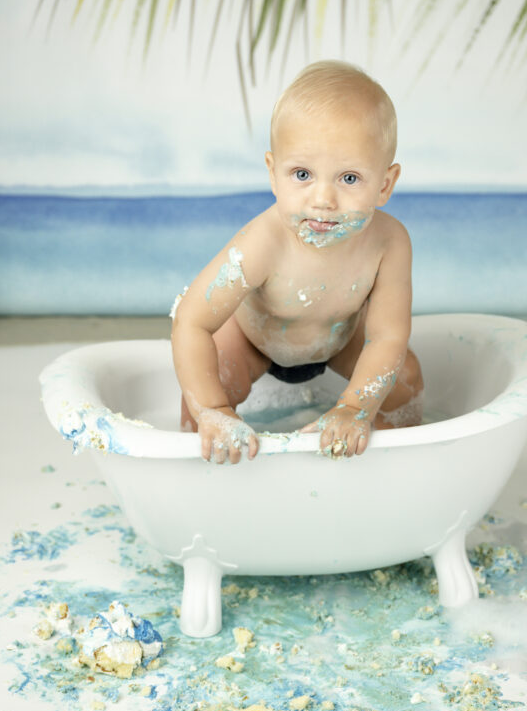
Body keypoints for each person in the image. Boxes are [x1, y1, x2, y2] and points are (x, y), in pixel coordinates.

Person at [171, 60, 423, 464]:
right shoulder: (263, 242)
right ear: (273, 174)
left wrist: (356, 408)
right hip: (254, 342)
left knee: (406, 378)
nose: (323, 199)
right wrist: (211, 410)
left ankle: (395, 462)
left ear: (385, 185)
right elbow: (192, 320)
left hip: (339, 341)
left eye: (350, 179)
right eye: (302, 174)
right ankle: (196, 458)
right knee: (208, 382)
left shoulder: (389, 243)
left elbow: (386, 337)